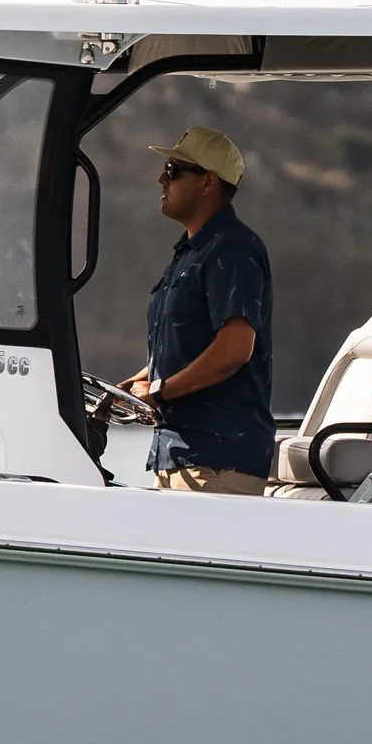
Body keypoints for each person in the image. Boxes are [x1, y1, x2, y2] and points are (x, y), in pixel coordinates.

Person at [126, 124, 273, 495]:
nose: (162, 179)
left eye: (174, 171)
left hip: (216, 462)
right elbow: (188, 345)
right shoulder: (192, 253)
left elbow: (235, 350)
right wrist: (135, 384)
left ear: (209, 182)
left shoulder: (233, 250)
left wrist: (160, 390)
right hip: (183, 459)